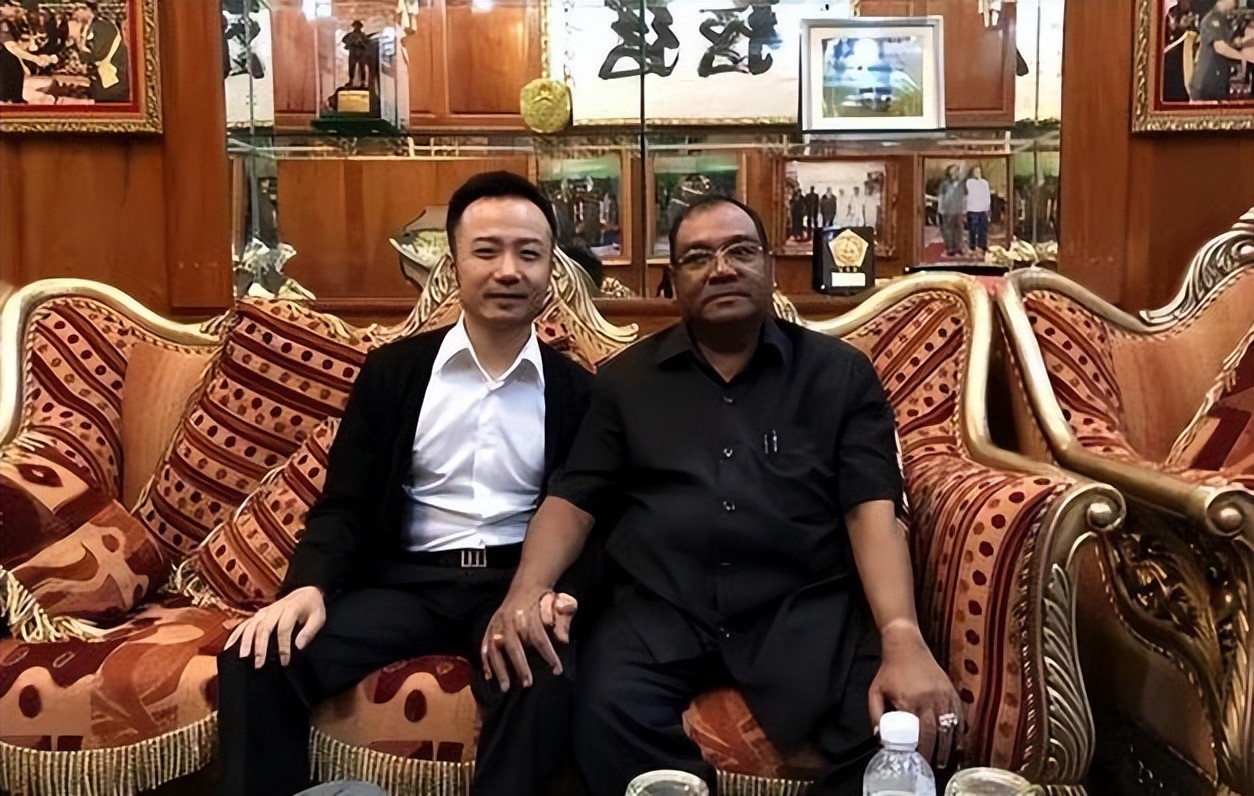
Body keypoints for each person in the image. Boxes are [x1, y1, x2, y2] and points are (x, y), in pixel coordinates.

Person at [483, 195, 962, 796]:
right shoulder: (626, 382)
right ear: (672, 281)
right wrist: (526, 590)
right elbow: (573, 500)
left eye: (740, 251)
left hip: (801, 608)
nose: (722, 268)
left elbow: (872, 508)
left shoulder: (839, 374)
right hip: (658, 609)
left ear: (769, 265)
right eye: (698, 257)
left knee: (900, 731)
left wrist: (901, 633)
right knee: (601, 715)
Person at [216, 172, 594, 796]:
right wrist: (307, 586)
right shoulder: (394, 373)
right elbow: (345, 503)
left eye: (529, 254)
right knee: (256, 658)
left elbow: (589, 517)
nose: (508, 271)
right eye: (487, 251)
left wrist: (556, 596)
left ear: (551, 270)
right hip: (405, 582)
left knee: (543, 673)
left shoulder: (578, 391)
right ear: (453, 265)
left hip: (511, 586)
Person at [1189, 0, 1254, 100]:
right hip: (1206, 84)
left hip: (1219, 84)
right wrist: (1244, 59)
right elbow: (1220, 47)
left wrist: (1248, 40)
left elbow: (1232, 43)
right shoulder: (1211, 19)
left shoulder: (1224, 21)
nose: (1235, 4)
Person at [69, 1, 128, 102]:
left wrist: (79, 44)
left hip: (114, 82)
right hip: (102, 83)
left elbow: (97, 54)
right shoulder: (89, 28)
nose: (75, 10)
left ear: (90, 10)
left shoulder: (103, 27)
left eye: (80, 7)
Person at [937, 164, 966, 257]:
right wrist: (940, 209)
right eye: (953, 170)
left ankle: (958, 248)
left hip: (958, 209)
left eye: (956, 170)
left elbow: (964, 197)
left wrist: (964, 208)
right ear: (949, 172)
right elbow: (941, 197)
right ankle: (950, 248)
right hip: (947, 210)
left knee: (959, 230)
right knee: (948, 230)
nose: (955, 172)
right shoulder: (944, 184)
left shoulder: (961, 184)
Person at [964, 166, 991, 254]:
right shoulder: (969, 182)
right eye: (975, 171)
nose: (977, 173)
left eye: (979, 171)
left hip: (983, 209)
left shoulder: (985, 183)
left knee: (983, 229)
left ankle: (982, 245)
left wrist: (987, 207)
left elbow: (987, 195)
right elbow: (970, 194)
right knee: (972, 229)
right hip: (972, 209)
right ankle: (972, 246)